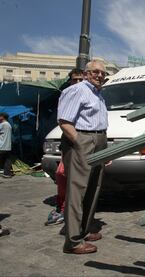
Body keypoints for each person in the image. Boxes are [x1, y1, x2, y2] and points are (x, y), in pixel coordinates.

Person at [58, 60, 108, 254]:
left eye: (103, 73)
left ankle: (84, 230)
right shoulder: (78, 89)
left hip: (98, 141)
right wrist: (80, 143)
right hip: (84, 141)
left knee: (93, 188)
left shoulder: (97, 94)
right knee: (78, 191)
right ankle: (73, 241)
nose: (100, 75)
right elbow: (64, 121)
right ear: (87, 73)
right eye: (95, 72)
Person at [45, 69, 85, 226]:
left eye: (81, 80)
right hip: (69, 142)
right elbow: (63, 120)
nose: (78, 83)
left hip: (84, 142)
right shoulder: (67, 94)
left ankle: (76, 212)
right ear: (70, 81)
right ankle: (62, 208)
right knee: (62, 174)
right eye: (75, 80)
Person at [0, 112, 13, 178]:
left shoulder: (2, 124)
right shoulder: (9, 124)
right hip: (7, 146)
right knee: (7, 161)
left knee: (5, 160)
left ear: (2, 117)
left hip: (1, 146)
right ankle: (7, 174)